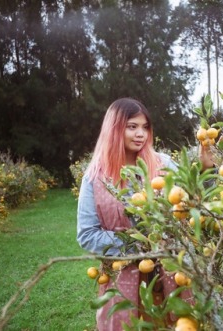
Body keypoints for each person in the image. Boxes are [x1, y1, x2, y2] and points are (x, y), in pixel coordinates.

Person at [76, 97, 214, 330]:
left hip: (171, 274)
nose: (141, 133)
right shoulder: (94, 178)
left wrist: (207, 170)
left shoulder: (164, 164)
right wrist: (140, 245)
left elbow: (194, 203)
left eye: (145, 127)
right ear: (114, 128)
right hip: (122, 279)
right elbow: (87, 235)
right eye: (132, 126)